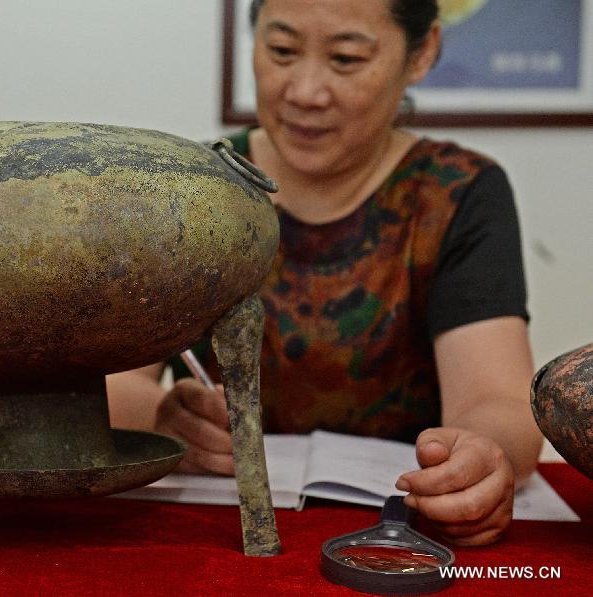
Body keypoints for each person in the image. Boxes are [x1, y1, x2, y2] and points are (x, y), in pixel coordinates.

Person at [107, 0, 542, 547]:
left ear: (421, 52)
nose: (306, 91)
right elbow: (121, 383)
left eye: (346, 58)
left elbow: (497, 399)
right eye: (282, 51)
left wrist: (477, 460)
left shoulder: (457, 194)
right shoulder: (192, 191)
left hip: (395, 533)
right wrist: (161, 421)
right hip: (213, 528)